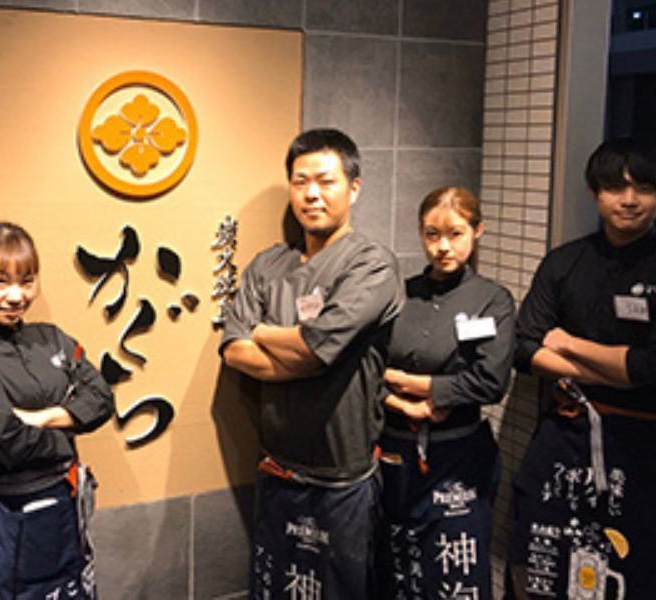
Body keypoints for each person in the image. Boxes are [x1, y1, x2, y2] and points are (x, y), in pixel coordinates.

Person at [507, 139, 656, 599]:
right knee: (541, 568)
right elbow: (523, 348)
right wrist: (612, 369)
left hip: (647, 446)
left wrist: (568, 345)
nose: (629, 200)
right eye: (615, 188)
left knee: (633, 577)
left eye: (643, 188)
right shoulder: (565, 262)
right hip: (565, 436)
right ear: (594, 192)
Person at [219, 128, 403, 598]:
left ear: (353, 188)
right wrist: (305, 353)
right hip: (276, 470)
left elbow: (315, 348)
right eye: (300, 182)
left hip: (342, 480)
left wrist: (264, 332)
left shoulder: (371, 264)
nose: (312, 194)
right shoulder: (268, 265)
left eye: (326, 181)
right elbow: (234, 347)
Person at [0, 221, 114, 600]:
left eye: (27, 281)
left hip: (64, 507)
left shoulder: (50, 338)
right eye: (1, 281)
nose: (16, 296)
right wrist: (69, 426)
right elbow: (7, 444)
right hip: (2, 520)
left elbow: (101, 399)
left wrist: (44, 418)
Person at [373, 187, 514, 599]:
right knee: (397, 568)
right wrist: (401, 403)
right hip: (395, 451)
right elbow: (365, 369)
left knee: (457, 571)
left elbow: (491, 381)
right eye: (432, 234)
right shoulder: (400, 294)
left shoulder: (492, 299)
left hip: (460, 456)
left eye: (455, 234)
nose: (443, 247)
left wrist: (415, 385)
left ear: (477, 231)